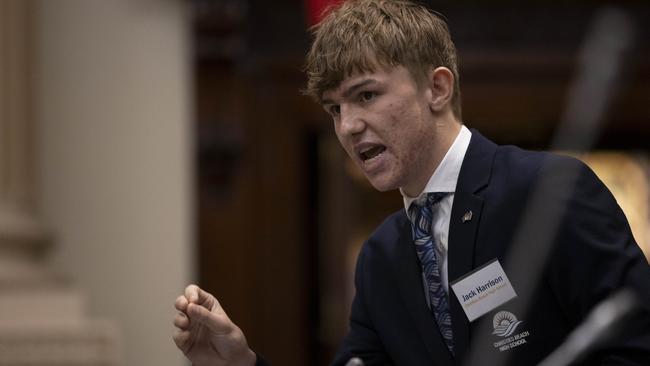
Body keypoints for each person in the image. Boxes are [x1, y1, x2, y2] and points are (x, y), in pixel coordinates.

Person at [172, 1, 650, 365]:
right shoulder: (381, 257)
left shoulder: (549, 189)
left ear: (437, 88)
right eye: (336, 108)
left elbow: (636, 341)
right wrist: (243, 363)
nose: (348, 126)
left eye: (366, 95)